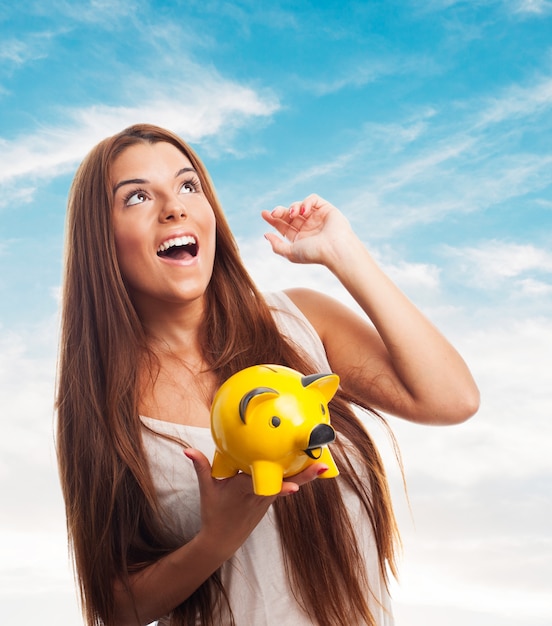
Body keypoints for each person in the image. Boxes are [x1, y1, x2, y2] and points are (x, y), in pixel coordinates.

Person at [56, 123, 479, 626]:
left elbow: (452, 399)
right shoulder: (102, 406)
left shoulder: (300, 324)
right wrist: (218, 537)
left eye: (188, 186)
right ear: (100, 239)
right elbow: (116, 606)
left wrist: (343, 254)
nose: (175, 207)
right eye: (137, 197)